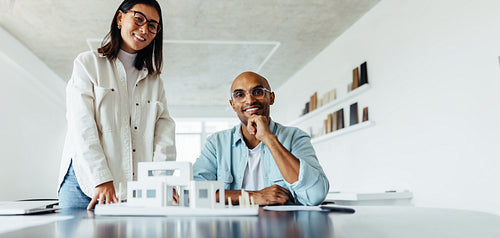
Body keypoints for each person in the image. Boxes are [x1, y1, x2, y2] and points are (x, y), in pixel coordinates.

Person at [57, 0, 175, 210]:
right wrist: (101, 179)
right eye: (138, 19)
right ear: (120, 18)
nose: (144, 29)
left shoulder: (155, 82)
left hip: (134, 188)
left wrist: (162, 180)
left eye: (152, 25)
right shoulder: (87, 64)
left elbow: (164, 136)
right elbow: (81, 126)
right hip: (85, 184)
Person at [193, 72, 329, 206]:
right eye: (240, 95)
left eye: (257, 92)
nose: (250, 100)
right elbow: (195, 192)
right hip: (232, 226)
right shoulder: (216, 143)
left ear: (271, 97)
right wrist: (254, 196)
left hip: (284, 226)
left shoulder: (295, 137)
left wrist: (269, 138)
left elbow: (315, 195)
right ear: (233, 104)